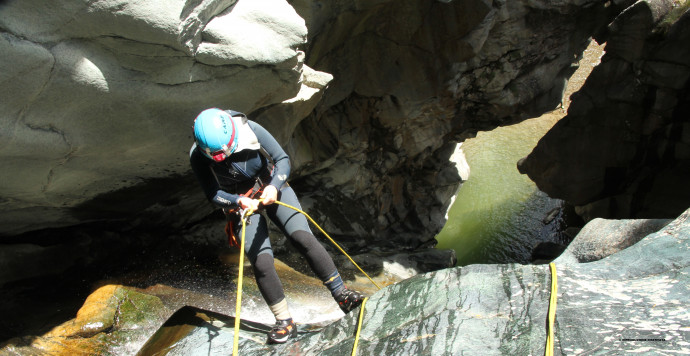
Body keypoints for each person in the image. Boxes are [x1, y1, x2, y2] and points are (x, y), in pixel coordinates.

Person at [189, 108, 364, 344]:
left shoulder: (248, 128)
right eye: (215, 154)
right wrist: (236, 201)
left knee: (302, 237)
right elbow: (213, 193)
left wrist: (273, 186)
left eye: (224, 151)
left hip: (271, 185)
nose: (221, 157)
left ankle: (342, 295)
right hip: (241, 203)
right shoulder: (198, 155)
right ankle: (284, 321)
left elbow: (282, 159)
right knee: (261, 261)